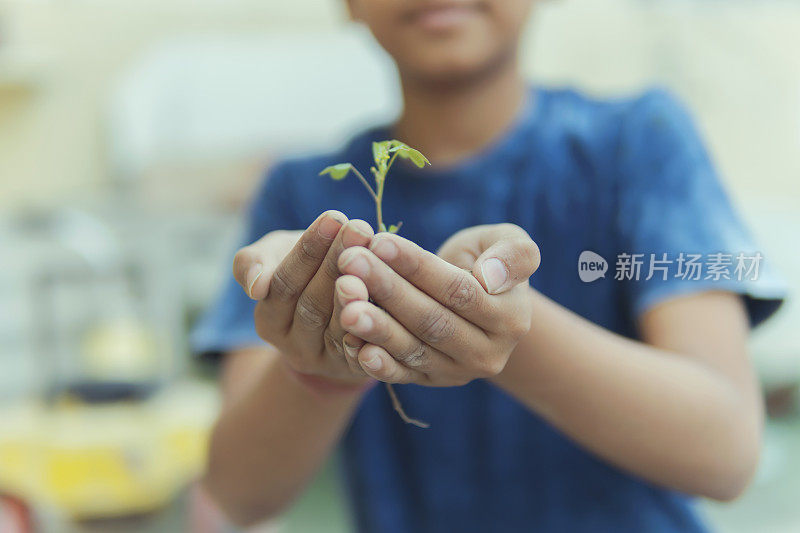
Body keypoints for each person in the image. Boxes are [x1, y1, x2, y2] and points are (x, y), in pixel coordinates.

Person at [191, 1, 786, 531]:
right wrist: (319, 366)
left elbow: (727, 449)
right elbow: (239, 493)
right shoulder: (299, 200)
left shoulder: (640, 144)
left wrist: (500, 328)